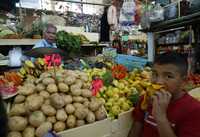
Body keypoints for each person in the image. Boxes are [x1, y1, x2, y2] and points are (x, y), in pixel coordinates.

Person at [128, 52, 200, 137]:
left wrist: (161, 117)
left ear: (184, 82)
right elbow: (136, 129)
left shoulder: (194, 110)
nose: (158, 81)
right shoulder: (145, 99)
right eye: (155, 74)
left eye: (168, 76)